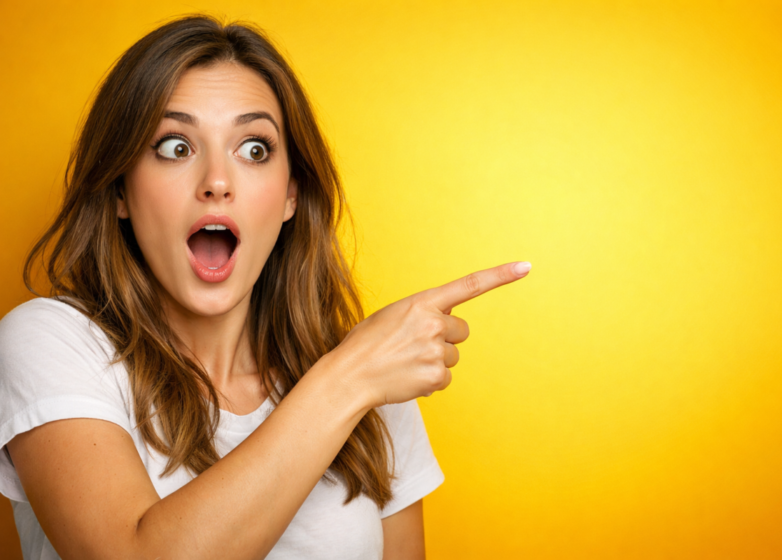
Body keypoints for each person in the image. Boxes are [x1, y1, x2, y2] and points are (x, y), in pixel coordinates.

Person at [0, 15, 530, 560]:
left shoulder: (372, 370)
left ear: (290, 197)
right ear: (119, 190)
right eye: (175, 147)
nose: (217, 182)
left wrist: (359, 374)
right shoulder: (49, 342)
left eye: (253, 149)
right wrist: (349, 380)